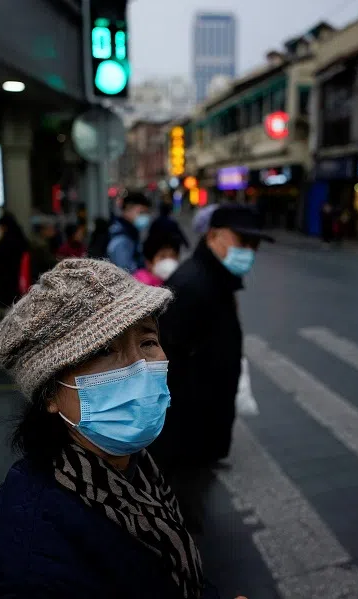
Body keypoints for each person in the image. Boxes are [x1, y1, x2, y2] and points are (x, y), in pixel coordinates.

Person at [0, 259, 235, 599]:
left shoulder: (130, 469)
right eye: (104, 350)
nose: (141, 366)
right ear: (51, 394)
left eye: (147, 342)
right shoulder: (32, 568)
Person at [148, 205, 274, 527]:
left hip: (199, 430)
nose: (250, 252)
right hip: (185, 435)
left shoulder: (217, 279)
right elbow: (163, 364)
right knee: (182, 513)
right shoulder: (194, 285)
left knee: (191, 501)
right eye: (243, 242)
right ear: (213, 236)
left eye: (255, 245)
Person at [0, 212, 28, 308]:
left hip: (8, 277)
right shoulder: (19, 236)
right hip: (18, 276)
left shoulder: (8, 238)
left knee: (7, 302)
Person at [108, 192, 152, 273]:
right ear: (128, 208)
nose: (144, 217)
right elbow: (125, 271)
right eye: (141, 212)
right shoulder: (121, 237)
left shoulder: (130, 232)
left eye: (146, 213)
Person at [29, 215, 59, 283]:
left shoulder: (42, 241)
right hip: (38, 278)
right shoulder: (40, 245)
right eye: (50, 229)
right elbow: (49, 261)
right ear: (43, 230)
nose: (53, 231)